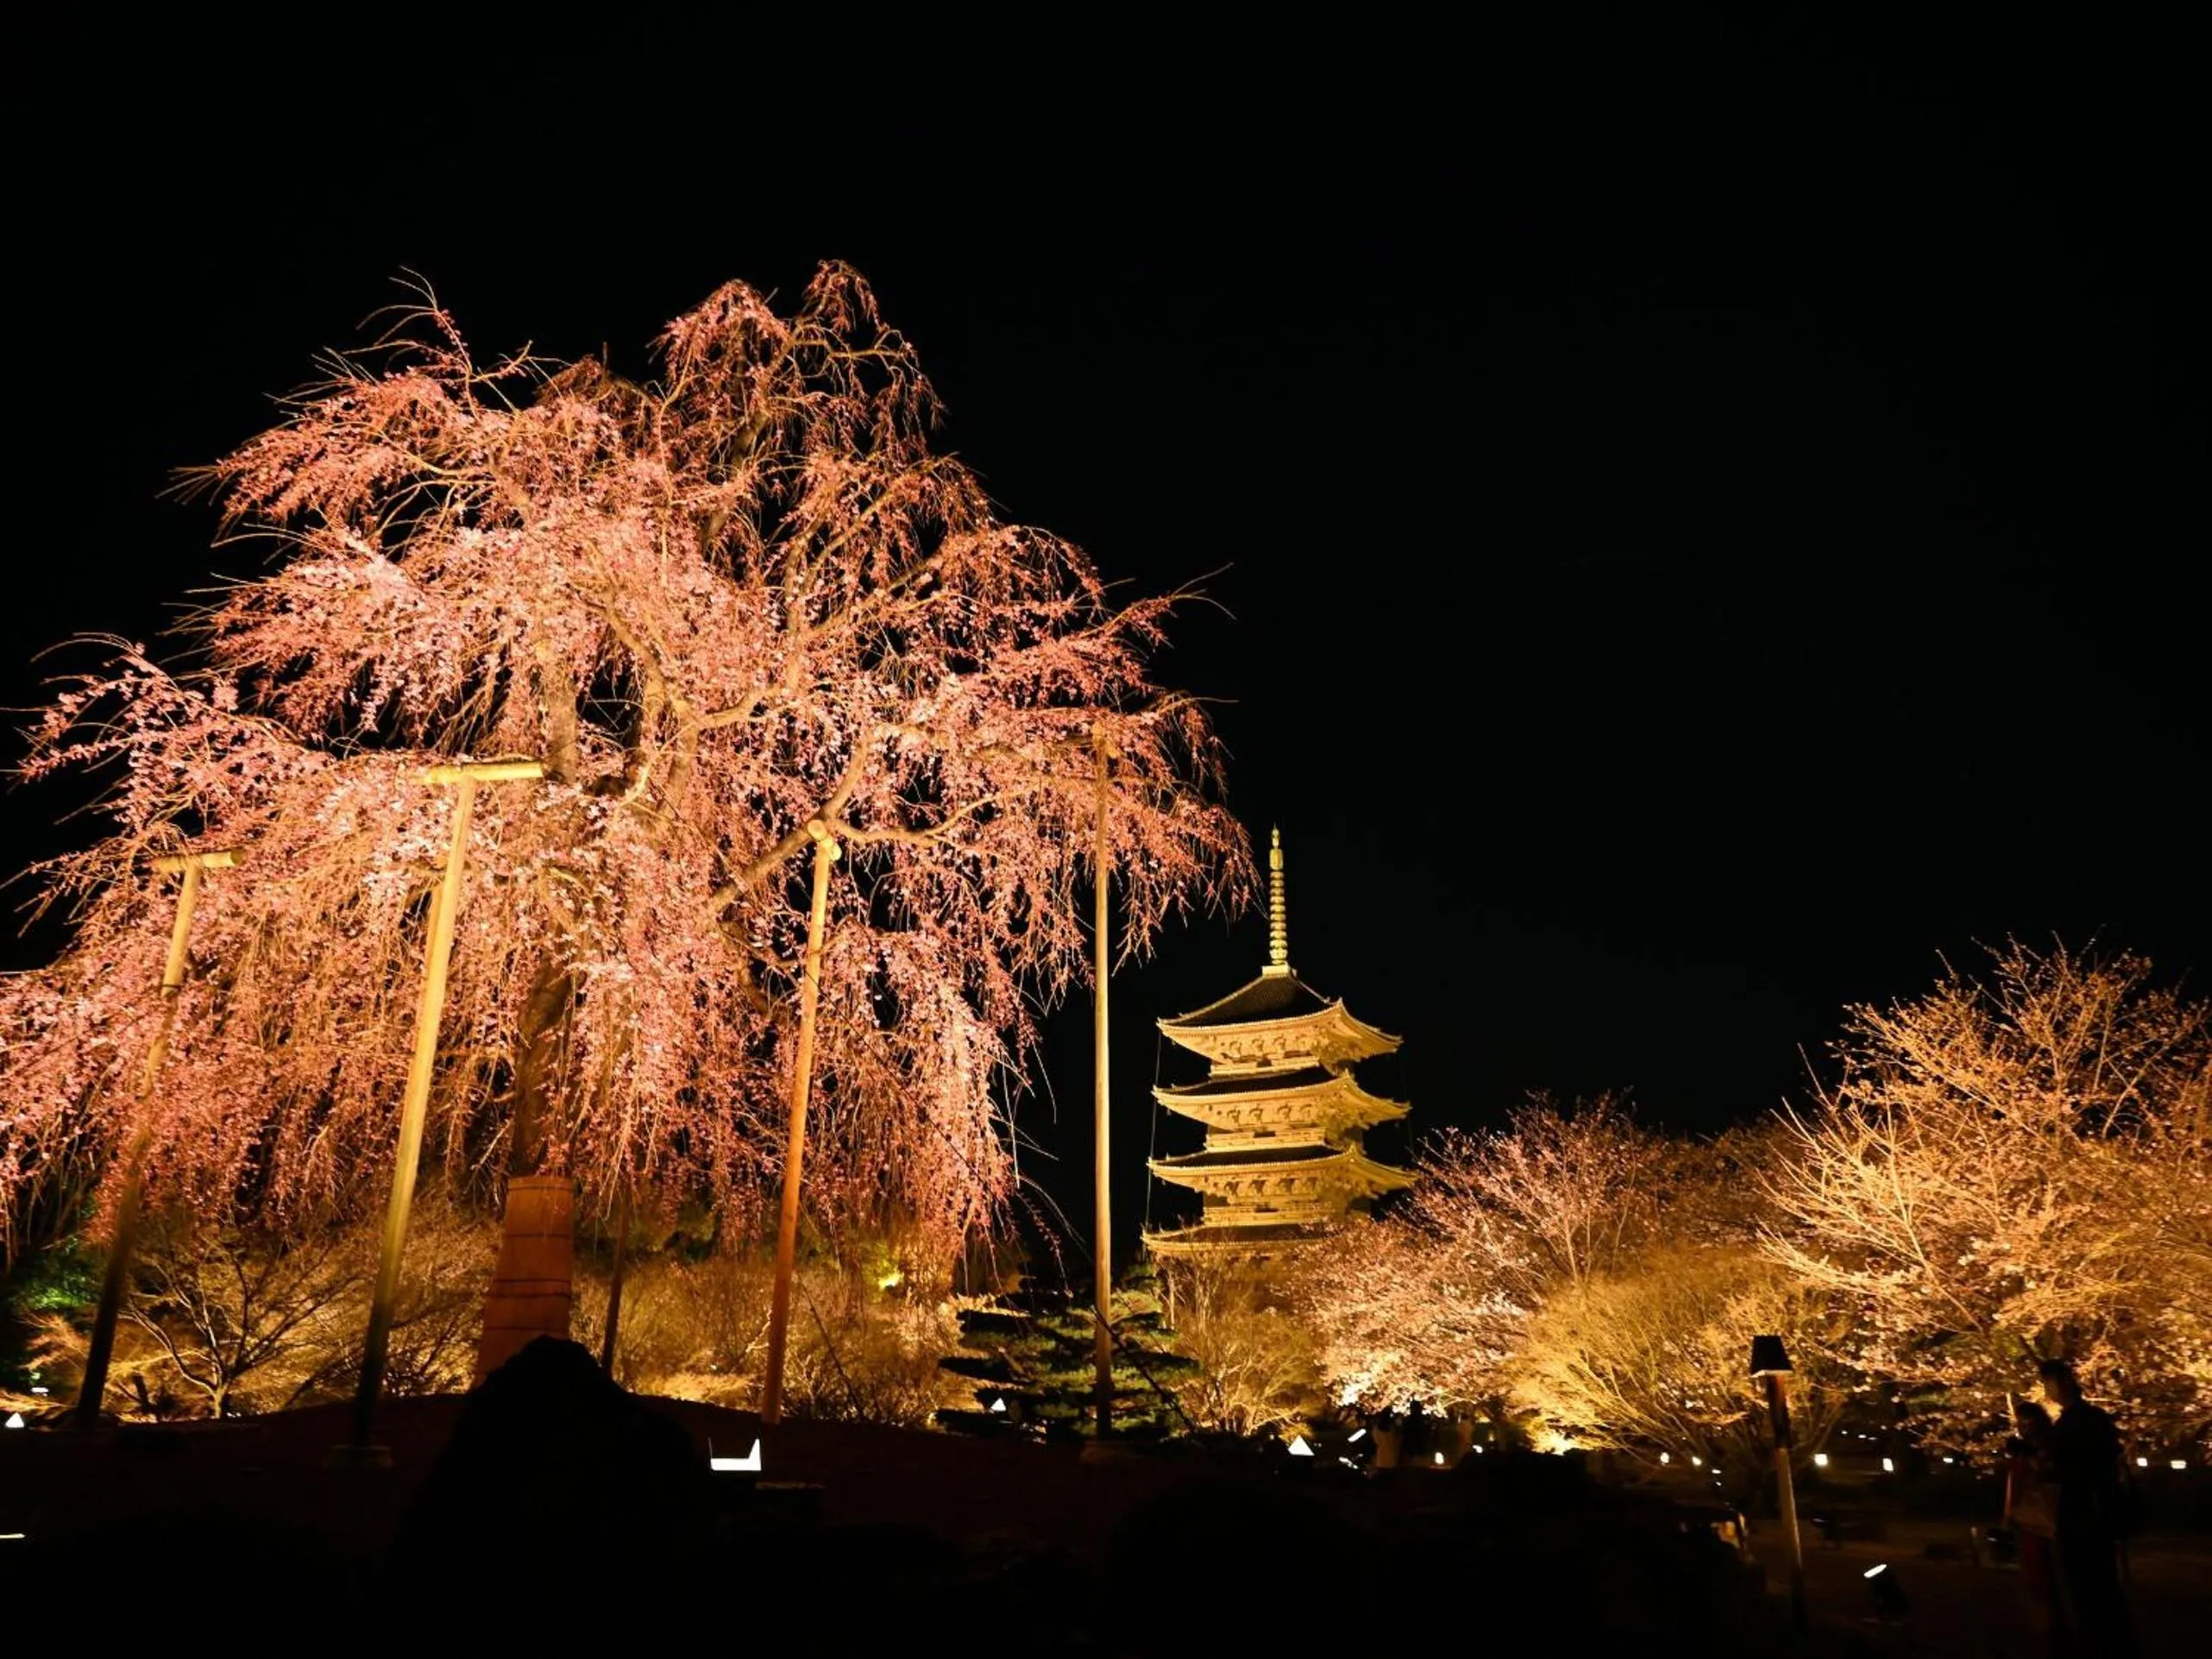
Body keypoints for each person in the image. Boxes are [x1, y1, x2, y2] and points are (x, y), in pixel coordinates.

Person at [2038, 1357, 2137, 1657]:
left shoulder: (2077, 1422)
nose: (2048, 1390)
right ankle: (2111, 1636)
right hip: (2096, 1511)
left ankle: (2101, 1639)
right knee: (2100, 1581)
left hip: (2085, 1513)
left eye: (2049, 1383)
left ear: (2064, 1382)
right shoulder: (2092, 1419)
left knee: (2089, 1581)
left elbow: (2073, 1466)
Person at [2002, 1397, 2062, 1651]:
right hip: (2026, 1516)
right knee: (2033, 1569)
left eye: (2028, 1420)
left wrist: (2029, 1456)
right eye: (2021, 1421)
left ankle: (2053, 1624)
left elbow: (2048, 1474)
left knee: (2046, 1570)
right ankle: (2045, 1623)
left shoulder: (2046, 1448)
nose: (2024, 1425)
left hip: (2043, 1517)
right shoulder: (2026, 1447)